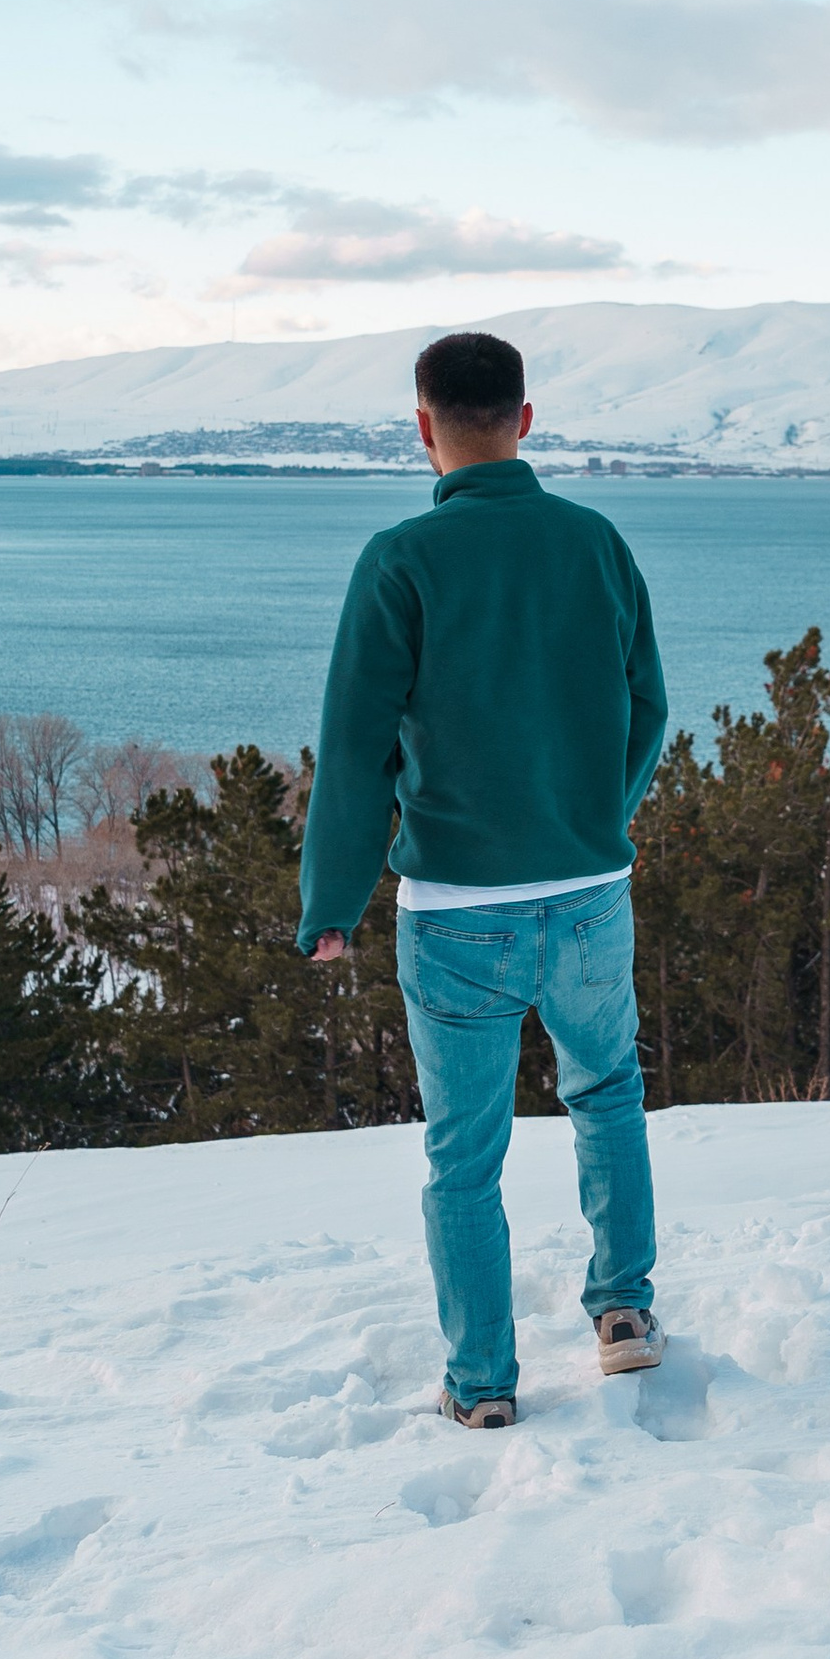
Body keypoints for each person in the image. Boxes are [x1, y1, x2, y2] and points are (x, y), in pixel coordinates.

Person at [297, 330, 671, 1428]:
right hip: (590, 890)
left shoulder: (400, 561)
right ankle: (624, 1318)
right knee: (608, 1097)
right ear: (525, 416)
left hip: (456, 911)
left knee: (464, 1154)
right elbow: (646, 707)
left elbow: (354, 747)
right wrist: (593, 815)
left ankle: (482, 1384)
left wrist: (330, 902)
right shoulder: (595, 542)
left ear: (422, 426)